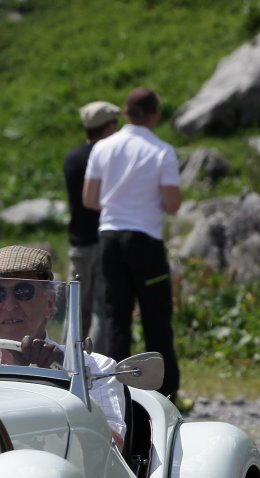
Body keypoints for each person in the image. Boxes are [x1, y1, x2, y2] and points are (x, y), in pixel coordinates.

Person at [0, 246, 127, 448]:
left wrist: (63, 383)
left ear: (50, 302)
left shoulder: (94, 369)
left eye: (23, 291)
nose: (9, 305)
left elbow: (114, 448)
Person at [82, 87, 182, 402]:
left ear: (125, 113)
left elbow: (90, 199)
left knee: (116, 318)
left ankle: (117, 394)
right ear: (155, 115)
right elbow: (173, 204)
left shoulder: (103, 147)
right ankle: (165, 393)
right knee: (156, 319)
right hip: (145, 240)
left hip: (110, 239)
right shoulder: (162, 151)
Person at [63, 100, 120, 345]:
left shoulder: (72, 158)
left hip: (78, 244)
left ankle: (66, 360)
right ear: (108, 128)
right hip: (105, 242)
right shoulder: (109, 159)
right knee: (102, 311)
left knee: (74, 312)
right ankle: (97, 360)